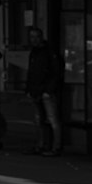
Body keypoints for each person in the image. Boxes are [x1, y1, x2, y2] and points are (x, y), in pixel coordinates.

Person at [23, 23, 66, 154]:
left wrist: (49, 90)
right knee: (39, 119)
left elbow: (56, 72)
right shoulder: (35, 53)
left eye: (36, 37)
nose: (33, 40)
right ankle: (42, 144)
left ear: (41, 37)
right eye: (31, 37)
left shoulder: (48, 52)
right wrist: (29, 90)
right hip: (36, 89)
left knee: (51, 119)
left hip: (45, 90)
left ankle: (56, 147)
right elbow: (31, 72)